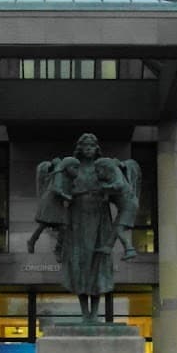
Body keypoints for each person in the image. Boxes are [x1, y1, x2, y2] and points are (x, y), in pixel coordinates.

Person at [60, 133, 117, 320]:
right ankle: (85, 312)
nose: (89, 149)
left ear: (96, 148)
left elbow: (117, 186)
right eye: (85, 146)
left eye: (92, 146)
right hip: (77, 219)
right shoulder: (72, 168)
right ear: (80, 148)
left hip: (99, 217)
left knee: (97, 262)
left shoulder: (103, 167)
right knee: (79, 263)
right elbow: (60, 189)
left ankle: (95, 313)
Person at [28, 156, 78, 257]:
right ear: (67, 167)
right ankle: (33, 241)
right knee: (45, 223)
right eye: (74, 167)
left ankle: (57, 248)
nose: (76, 170)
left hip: (58, 203)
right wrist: (67, 196)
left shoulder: (69, 177)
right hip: (51, 202)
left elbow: (71, 189)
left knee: (61, 226)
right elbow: (56, 189)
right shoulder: (59, 174)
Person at [93, 157, 138, 260]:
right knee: (115, 227)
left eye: (98, 171)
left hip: (129, 206)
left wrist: (104, 188)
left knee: (118, 229)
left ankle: (129, 249)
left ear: (105, 168)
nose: (97, 174)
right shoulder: (108, 178)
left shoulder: (115, 171)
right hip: (124, 207)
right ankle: (108, 247)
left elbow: (119, 185)